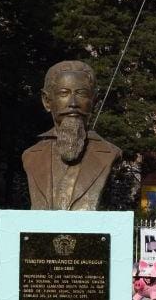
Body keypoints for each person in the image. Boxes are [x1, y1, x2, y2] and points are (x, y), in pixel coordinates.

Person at [21, 60, 122, 210]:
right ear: (47, 101)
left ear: (94, 101)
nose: (73, 103)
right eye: (64, 93)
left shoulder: (110, 154)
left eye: (82, 94)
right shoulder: (30, 156)